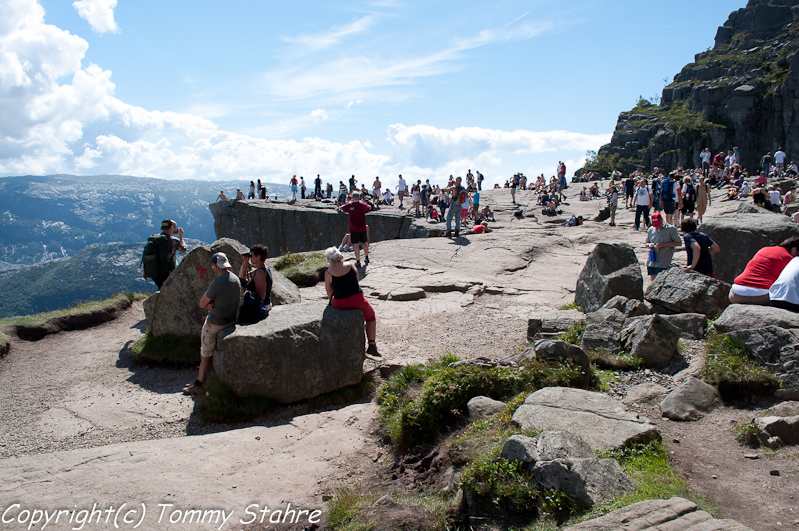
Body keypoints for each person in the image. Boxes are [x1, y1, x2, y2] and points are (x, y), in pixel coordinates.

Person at [183, 252, 241, 395]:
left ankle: (199, 383)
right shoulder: (235, 279)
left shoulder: (217, 282)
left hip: (215, 323)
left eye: (213, 266)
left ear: (215, 265)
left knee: (205, 352)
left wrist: (210, 305)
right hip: (231, 320)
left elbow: (202, 304)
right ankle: (206, 379)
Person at [324, 247, 379, 358]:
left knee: (335, 291)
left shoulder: (328, 273)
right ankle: (372, 345)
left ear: (329, 259)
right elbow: (356, 280)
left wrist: (331, 303)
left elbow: (329, 292)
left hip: (340, 302)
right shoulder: (350, 265)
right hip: (357, 299)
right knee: (371, 316)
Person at [730, 238, 799, 305]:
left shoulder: (765, 249)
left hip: (736, 294)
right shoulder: (790, 260)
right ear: (794, 249)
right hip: (761, 296)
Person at [142, 219, 187, 289]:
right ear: (171, 228)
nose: (177, 229)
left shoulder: (155, 239)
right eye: (175, 227)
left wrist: (146, 270)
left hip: (155, 271)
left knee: (161, 288)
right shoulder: (174, 241)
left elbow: (149, 253)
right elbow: (183, 250)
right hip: (167, 272)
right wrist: (180, 237)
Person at [238, 244, 272, 324]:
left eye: (252, 255)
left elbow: (261, 297)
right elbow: (242, 276)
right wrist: (245, 262)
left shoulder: (260, 273)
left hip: (261, 308)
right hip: (265, 305)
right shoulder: (262, 269)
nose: (250, 258)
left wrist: (247, 293)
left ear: (258, 257)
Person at [644, 212, 681, 279]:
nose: (657, 226)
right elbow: (646, 243)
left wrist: (665, 244)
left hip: (663, 260)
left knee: (659, 279)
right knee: (652, 278)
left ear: (661, 219)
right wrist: (650, 245)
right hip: (652, 259)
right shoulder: (650, 229)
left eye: (658, 224)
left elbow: (679, 243)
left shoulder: (671, 229)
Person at [340, 191, 371, 267]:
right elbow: (369, 207)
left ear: (352, 197)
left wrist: (349, 202)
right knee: (364, 243)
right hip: (362, 227)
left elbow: (342, 207)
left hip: (353, 228)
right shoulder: (362, 205)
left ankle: (358, 261)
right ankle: (366, 257)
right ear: (359, 197)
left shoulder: (350, 205)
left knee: (355, 245)